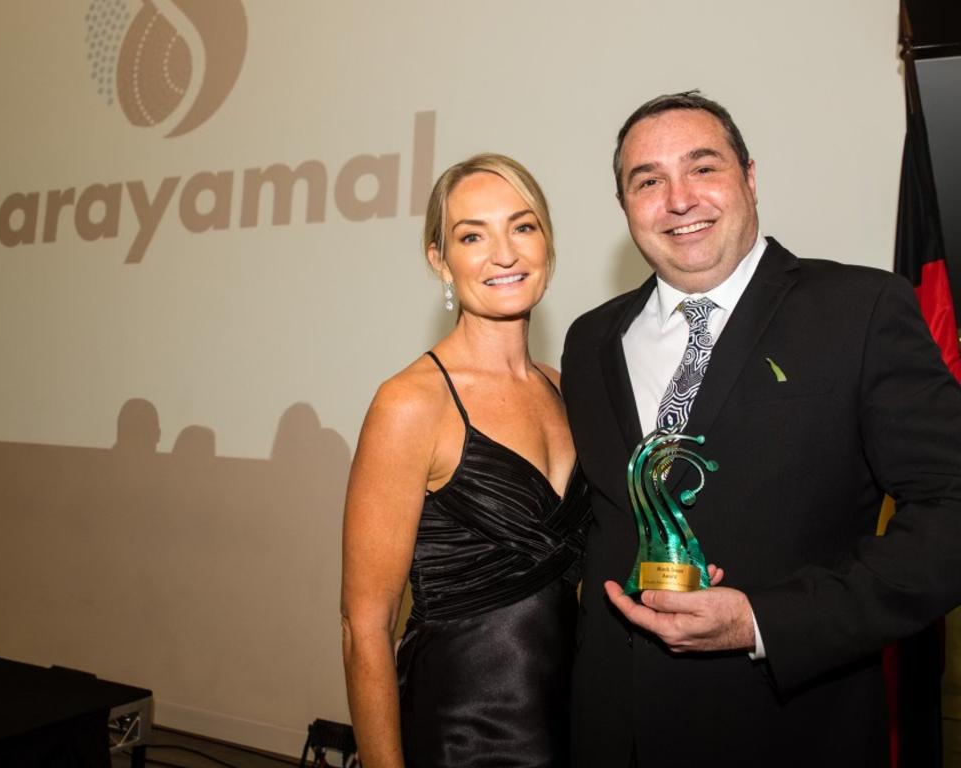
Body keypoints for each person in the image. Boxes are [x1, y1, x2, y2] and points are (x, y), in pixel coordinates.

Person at [561, 91, 961, 768]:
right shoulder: (591, 339)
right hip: (611, 734)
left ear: (749, 177)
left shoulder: (858, 310)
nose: (679, 199)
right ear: (626, 206)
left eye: (703, 168)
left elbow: (952, 509)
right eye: (648, 180)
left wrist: (762, 623)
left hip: (791, 731)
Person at [341, 154, 592, 767]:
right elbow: (364, 627)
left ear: (547, 244)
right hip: (462, 741)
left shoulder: (566, 391)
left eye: (523, 227)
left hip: (573, 727)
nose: (503, 254)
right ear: (440, 260)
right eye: (472, 236)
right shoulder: (410, 404)